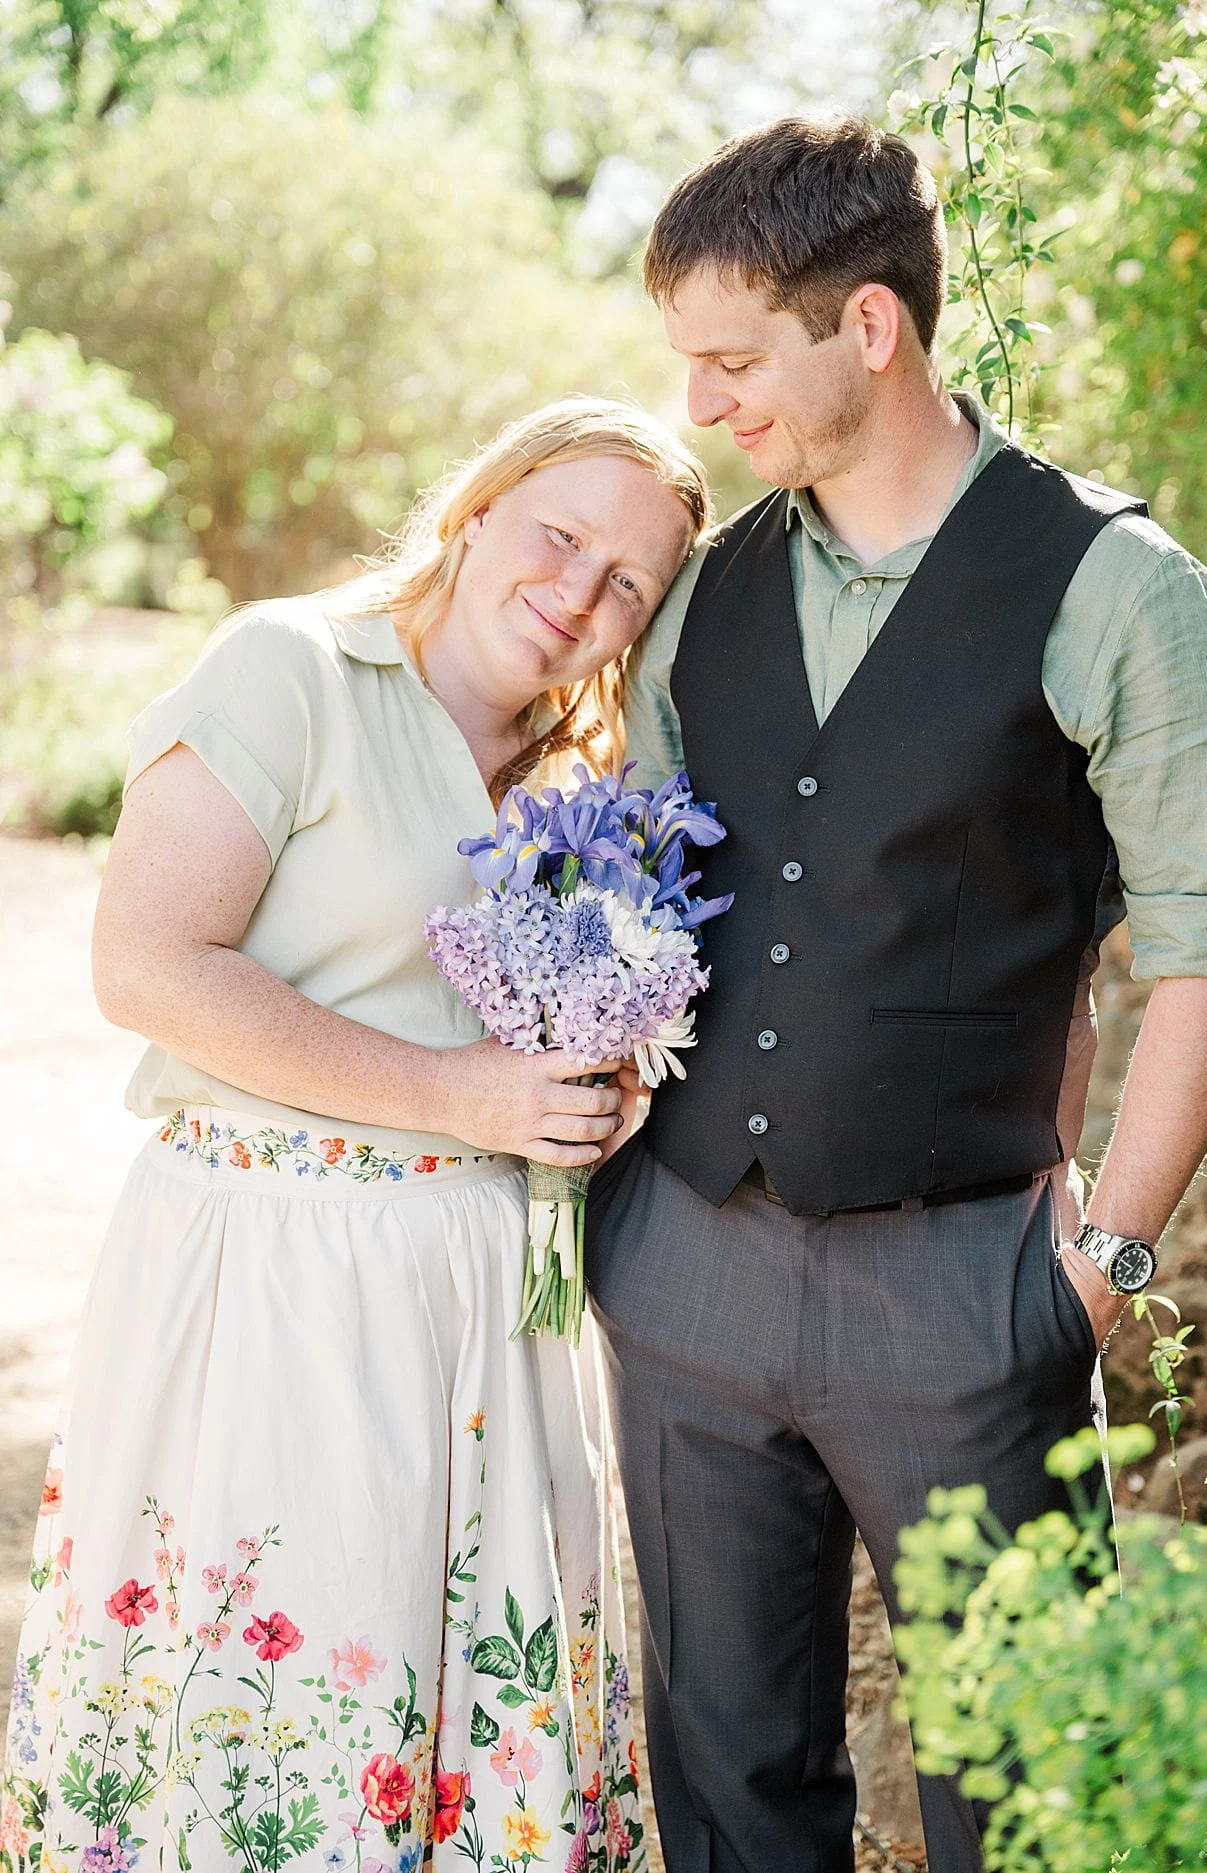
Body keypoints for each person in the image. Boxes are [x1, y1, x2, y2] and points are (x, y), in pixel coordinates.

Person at [588, 117, 1207, 1873]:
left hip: (966, 1290)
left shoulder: (1122, 589)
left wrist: (1107, 1259)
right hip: (688, 1272)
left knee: (1036, 1791)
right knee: (729, 1787)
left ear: (866, 328)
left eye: (733, 361)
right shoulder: (702, 595)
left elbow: (1198, 951)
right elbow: (647, 905)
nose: (706, 404)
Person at [2, 399, 711, 1870]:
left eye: (628, 580)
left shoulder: (586, 781)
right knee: (290, 1680)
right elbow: (148, 964)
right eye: (561, 534)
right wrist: (462, 1096)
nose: (580, 591)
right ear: (480, 507)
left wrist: (598, 1082)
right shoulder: (294, 668)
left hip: (493, 1300)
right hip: (277, 1274)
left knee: (479, 1692)